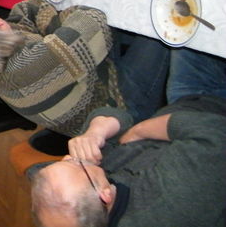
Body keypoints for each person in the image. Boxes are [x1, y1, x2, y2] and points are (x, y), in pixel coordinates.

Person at [0, 0, 172, 137]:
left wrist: (58, 32)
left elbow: (26, 10)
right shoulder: (32, 62)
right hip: (120, 108)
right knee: (160, 22)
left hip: (92, 81)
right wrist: (57, 28)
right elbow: (93, 18)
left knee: (126, 16)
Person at [30, 94, 226, 227]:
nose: (68, 157)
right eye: (75, 164)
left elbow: (119, 117)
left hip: (178, 109)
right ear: (105, 196)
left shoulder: (94, 196)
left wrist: (94, 132)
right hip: (212, 105)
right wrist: (139, 131)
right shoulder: (172, 196)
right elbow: (216, 131)